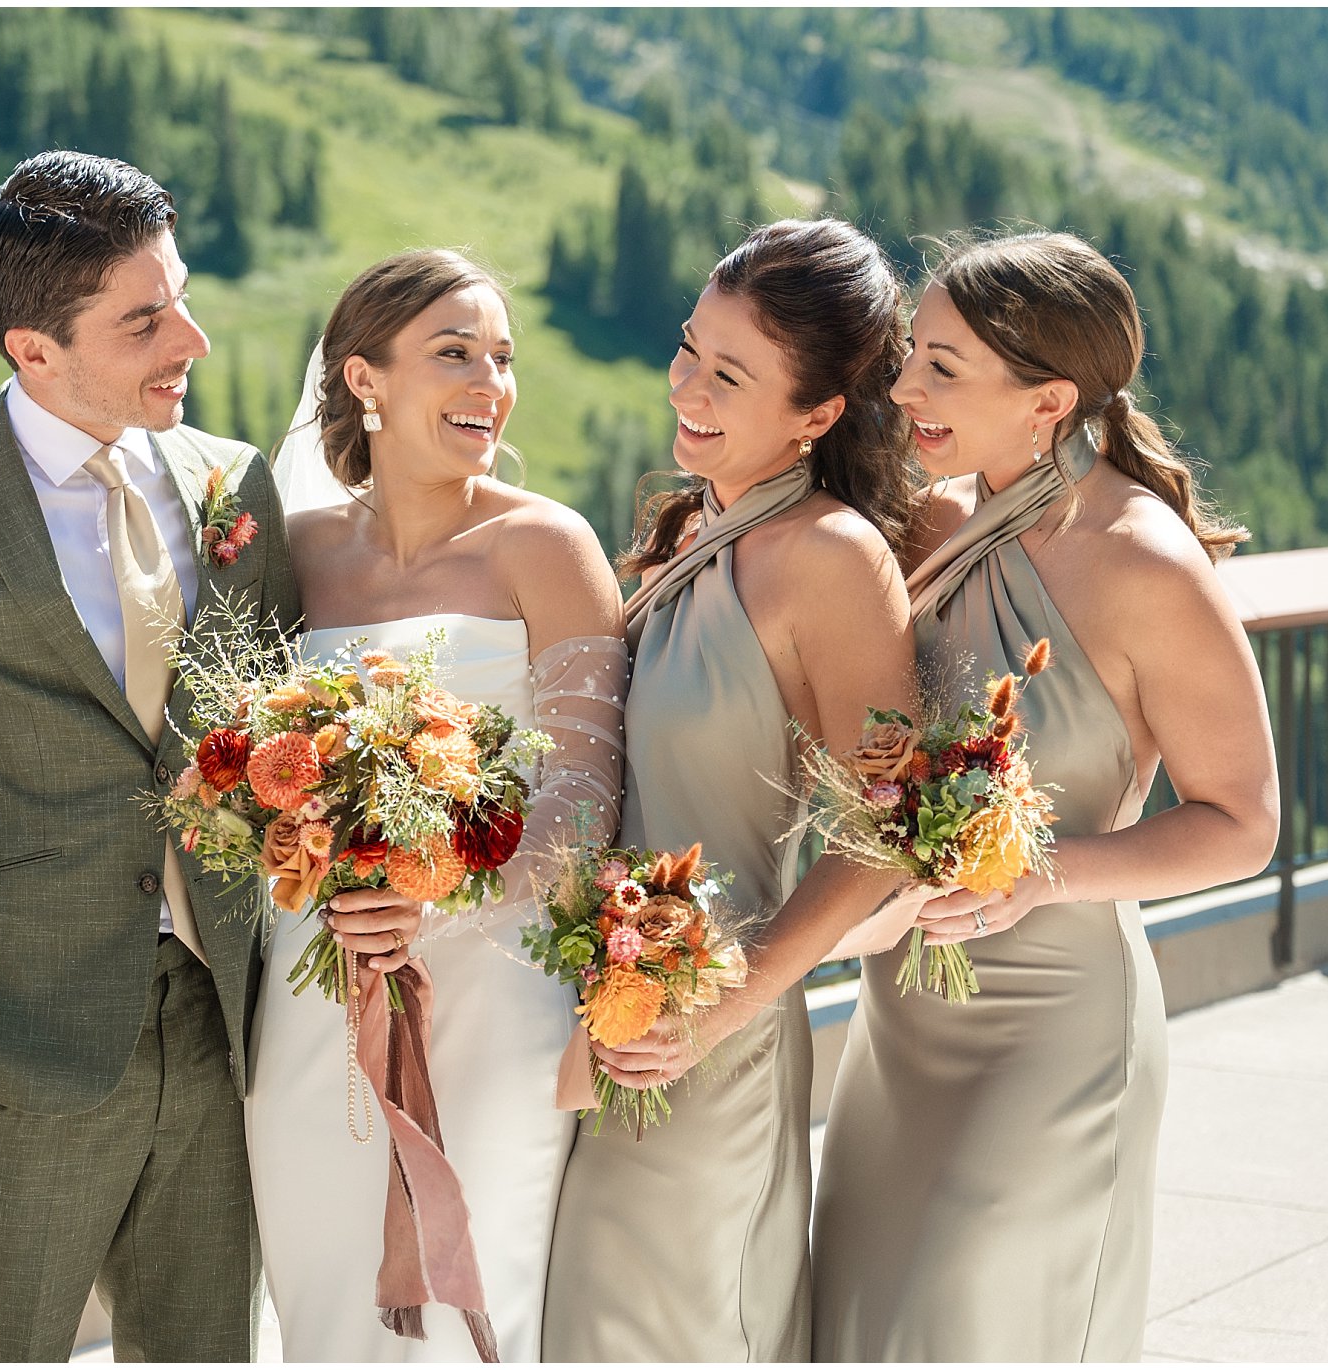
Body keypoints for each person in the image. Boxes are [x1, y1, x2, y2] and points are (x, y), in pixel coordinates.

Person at [0, 151, 299, 1362]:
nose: (189, 338)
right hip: (7, 1043)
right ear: (32, 348)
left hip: (222, 1027)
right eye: (143, 320)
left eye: (179, 297)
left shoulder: (231, 483)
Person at [811, 230, 1279, 1361]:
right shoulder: (930, 524)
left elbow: (1244, 824)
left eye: (942, 367)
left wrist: (1037, 873)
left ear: (1049, 400)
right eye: (911, 357)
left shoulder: (1142, 560)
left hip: (1052, 1035)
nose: (904, 388)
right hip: (899, 1022)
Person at [542, 218, 917, 1361]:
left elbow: (884, 833)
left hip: (706, 1039)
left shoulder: (831, 556)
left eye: (730, 375)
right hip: (602, 1016)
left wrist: (717, 1009)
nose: (687, 387)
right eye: (688, 348)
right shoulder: (690, 528)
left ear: (816, 414)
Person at [249, 248, 628, 1362]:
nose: (489, 384)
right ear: (363, 378)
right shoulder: (294, 553)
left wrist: (440, 896)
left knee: (474, 1301)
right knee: (321, 1290)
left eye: (501, 357)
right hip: (314, 982)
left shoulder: (544, 545)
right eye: (454, 353)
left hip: (494, 989)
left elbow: (583, 790)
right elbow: (244, 761)